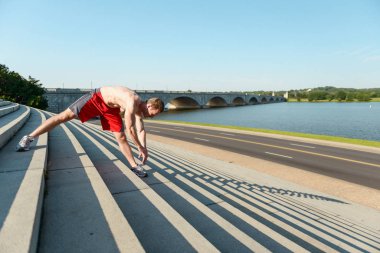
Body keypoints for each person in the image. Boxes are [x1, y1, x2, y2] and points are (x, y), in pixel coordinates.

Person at [16, 86, 164, 177]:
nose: (151, 116)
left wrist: (144, 148)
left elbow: (141, 129)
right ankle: (29, 137)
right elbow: (132, 128)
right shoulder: (132, 101)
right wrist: (139, 146)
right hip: (97, 98)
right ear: (150, 106)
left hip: (111, 109)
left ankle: (134, 166)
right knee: (63, 117)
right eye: (153, 114)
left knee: (121, 136)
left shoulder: (140, 110)